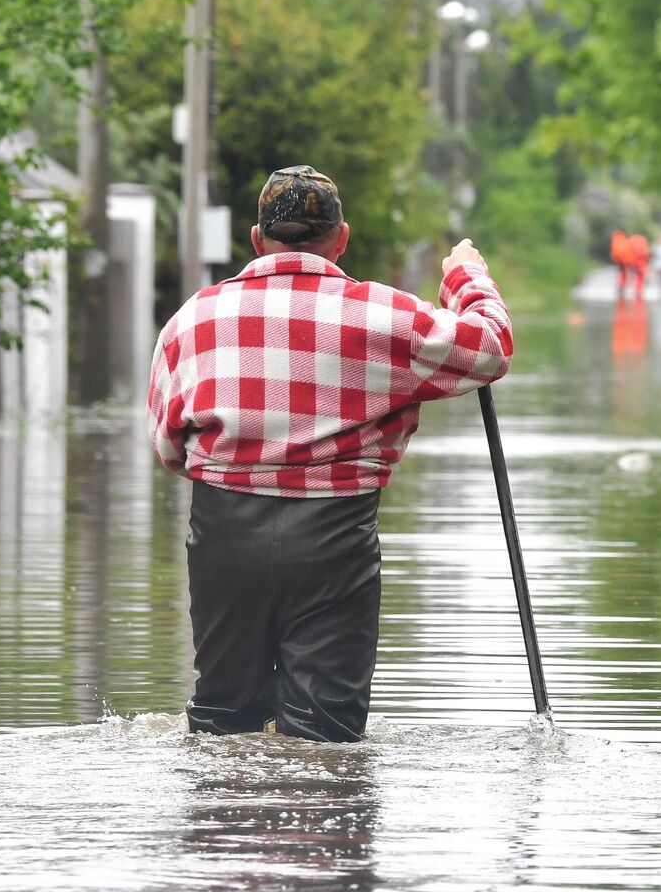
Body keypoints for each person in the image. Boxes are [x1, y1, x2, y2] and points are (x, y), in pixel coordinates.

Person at [146, 165, 513, 742]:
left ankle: (219, 826)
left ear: (256, 239)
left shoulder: (190, 321)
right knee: (325, 733)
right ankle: (322, 826)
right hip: (334, 540)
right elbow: (489, 349)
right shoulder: (384, 316)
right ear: (341, 240)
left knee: (222, 721)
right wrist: (466, 280)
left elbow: (169, 447)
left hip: (222, 536)